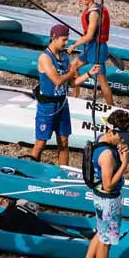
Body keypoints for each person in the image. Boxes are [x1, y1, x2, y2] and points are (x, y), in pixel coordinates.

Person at [82, 109, 129, 258]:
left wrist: (119, 150)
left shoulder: (101, 139)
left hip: (99, 197)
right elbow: (109, 185)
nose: (123, 141)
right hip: (108, 202)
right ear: (111, 131)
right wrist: (124, 163)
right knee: (106, 242)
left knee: (100, 232)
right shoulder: (107, 155)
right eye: (121, 137)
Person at [28, 24, 86, 165]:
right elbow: (57, 80)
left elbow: (72, 83)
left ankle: (64, 172)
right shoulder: (45, 58)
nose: (66, 43)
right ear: (54, 38)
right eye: (64, 40)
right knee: (41, 142)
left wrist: (89, 74)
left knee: (64, 142)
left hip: (62, 104)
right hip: (47, 106)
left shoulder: (65, 57)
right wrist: (71, 72)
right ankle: (31, 170)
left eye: (67, 40)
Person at [70, 0, 117, 106]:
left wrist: (74, 45)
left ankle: (111, 107)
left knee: (102, 81)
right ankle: (75, 97)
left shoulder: (93, 14)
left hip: (97, 49)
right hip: (89, 47)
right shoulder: (93, 8)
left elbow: (89, 36)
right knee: (73, 66)